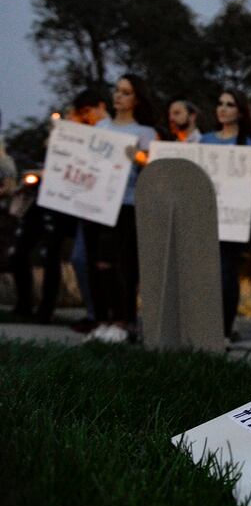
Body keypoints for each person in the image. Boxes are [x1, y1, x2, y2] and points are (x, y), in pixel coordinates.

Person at [84, 74, 159, 342]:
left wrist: (138, 158)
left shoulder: (145, 133)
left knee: (116, 263)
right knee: (95, 263)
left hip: (125, 205)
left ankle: (122, 321)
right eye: (117, 90)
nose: (118, 96)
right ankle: (100, 321)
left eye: (126, 92)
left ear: (136, 99)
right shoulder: (101, 126)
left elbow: (155, 169)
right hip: (94, 203)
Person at [200, 90, 251, 342]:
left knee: (226, 273)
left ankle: (224, 330)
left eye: (229, 104)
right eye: (220, 103)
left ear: (240, 111)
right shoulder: (204, 141)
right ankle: (201, 326)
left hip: (231, 220)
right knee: (204, 273)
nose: (223, 108)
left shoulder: (246, 145)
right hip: (203, 219)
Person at [66, 88, 111, 332]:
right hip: (88, 208)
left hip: (110, 208)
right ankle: (95, 313)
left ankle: (109, 315)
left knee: (104, 263)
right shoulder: (86, 132)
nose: (87, 117)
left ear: (100, 107)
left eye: (88, 111)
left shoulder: (111, 131)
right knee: (81, 258)